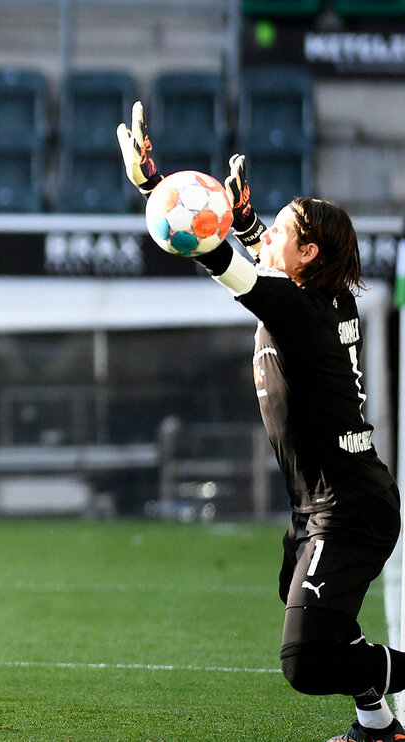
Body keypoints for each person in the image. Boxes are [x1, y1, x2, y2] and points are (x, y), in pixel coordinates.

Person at [118, 101, 405, 742]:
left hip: (348, 507)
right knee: (316, 618)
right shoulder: (317, 294)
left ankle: (380, 710)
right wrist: (246, 218)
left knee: (305, 663)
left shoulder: (297, 308)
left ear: (308, 252)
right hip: (332, 499)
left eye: (279, 230)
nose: (265, 235)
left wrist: (154, 191)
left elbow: (225, 261)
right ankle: (378, 727)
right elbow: (256, 253)